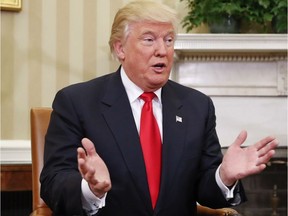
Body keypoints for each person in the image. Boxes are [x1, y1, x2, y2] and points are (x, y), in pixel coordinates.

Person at [40, 1, 279, 215]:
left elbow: (205, 191)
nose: (162, 50)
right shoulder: (77, 102)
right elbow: (52, 182)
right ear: (120, 48)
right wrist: (91, 190)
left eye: (168, 40)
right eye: (149, 39)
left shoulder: (197, 106)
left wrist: (223, 177)